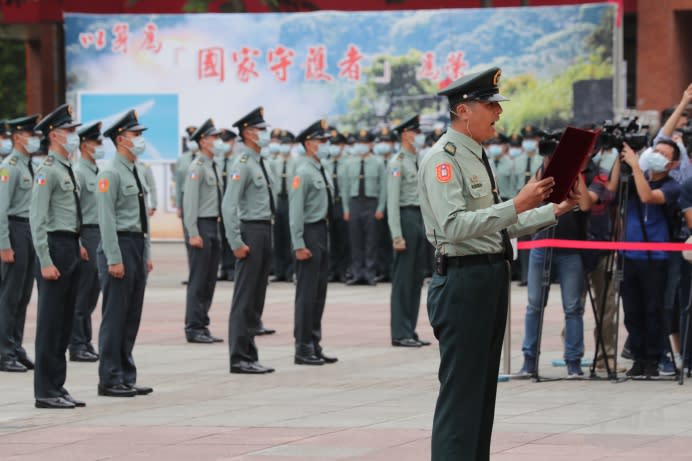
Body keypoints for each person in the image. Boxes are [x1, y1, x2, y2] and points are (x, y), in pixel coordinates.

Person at [418, 67, 578, 460]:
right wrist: (516, 204)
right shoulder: (444, 160)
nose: (497, 113)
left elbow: (497, 227)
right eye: (489, 105)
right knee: (461, 395)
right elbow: (454, 227)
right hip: (462, 281)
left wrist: (549, 211)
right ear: (463, 110)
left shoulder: (476, 156)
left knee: (482, 393)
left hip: (488, 275)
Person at [517, 138, 591, 379]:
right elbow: (523, 202)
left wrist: (575, 170)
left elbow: (587, 205)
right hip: (542, 246)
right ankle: (529, 360)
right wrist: (544, 172)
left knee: (572, 307)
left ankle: (573, 361)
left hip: (570, 249)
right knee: (534, 306)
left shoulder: (577, 173)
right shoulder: (541, 173)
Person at [30, 104, 86, 409]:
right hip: (53, 247)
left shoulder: (66, 168)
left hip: (69, 245)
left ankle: (58, 385)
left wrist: (77, 244)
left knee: (64, 323)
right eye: (70, 131)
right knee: (50, 324)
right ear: (54, 134)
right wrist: (45, 260)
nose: (74, 136)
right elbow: (37, 219)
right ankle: (45, 391)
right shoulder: (47, 171)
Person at [96, 109, 154, 397]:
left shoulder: (136, 169)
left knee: (131, 314)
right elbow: (106, 219)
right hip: (118, 244)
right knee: (115, 314)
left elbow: (143, 218)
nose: (140, 139)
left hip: (135, 245)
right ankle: (109, 377)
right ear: (120, 139)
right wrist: (114, 258)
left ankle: (126, 374)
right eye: (135, 135)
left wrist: (147, 252)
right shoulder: (109, 172)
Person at [620, 139, 681, 378]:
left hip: (656, 257)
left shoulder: (672, 186)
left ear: (673, 163)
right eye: (655, 151)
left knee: (653, 309)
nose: (656, 155)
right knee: (632, 311)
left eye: (663, 154)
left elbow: (647, 197)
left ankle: (654, 358)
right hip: (629, 255)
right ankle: (638, 357)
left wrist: (636, 167)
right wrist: (622, 159)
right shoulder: (634, 180)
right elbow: (615, 191)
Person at [222, 106, 276, 374]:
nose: (265, 134)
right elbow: (229, 205)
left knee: (256, 297)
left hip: (265, 230)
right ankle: (239, 356)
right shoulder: (242, 164)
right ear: (248, 133)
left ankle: (249, 353)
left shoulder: (259, 161)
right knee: (244, 297)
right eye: (260, 130)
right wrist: (235, 242)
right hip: (250, 232)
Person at [289, 119, 338, 365]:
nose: (325, 144)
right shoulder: (302, 171)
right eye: (321, 141)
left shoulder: (320, 168)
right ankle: (303, 347)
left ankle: (315, 343)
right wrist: (298, 243)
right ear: (309, 144)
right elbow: (295, 211)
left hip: (322, 232)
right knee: (306, 294)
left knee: (319, 293)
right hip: (308, 233)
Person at [0, 115, 40, 373]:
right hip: (14, 229)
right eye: (30, 134)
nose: (34, 139)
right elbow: (1, 209)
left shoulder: (31, 165)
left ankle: (16, 346)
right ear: (17, 137)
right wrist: (4, 244)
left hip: (29, 230)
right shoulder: (10, 166)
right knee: (10, 296)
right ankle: (4, 351)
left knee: (24, 295)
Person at [387, 115, 431, 348]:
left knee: (416, 279)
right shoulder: (397, 162)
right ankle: (399, 332)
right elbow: (392, 202)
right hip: (405, 218)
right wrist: (396, 234)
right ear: (405, 134)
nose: (418, 135)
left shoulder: (418, 160)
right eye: (415, 131)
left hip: (419, 219)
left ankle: (410, 329)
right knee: (403, 280)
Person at [182, 119, 225, 344]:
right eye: (213, 138)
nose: (217, 142)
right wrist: (192, 232)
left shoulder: (213, 165)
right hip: (201, 225)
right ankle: (193, 326)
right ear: (203, 141)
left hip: (214, 225)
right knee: (198, 279)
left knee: (209, 279)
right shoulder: (196, 168)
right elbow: (190, 202)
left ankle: (203, 324)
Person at [68, 121, 105, 363]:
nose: (100, 146)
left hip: (98, 233)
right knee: (83, 292)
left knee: (93, 291)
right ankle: (77, 344)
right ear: (84, 145)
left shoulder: (96, 170)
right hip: (87, 233)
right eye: (96, 142)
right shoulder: (79, 172)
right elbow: (74, 210)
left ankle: (85, 341)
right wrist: (79, 240)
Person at [342, 129, 386, 285]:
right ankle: (356, 272)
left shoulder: (378, 162)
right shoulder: (349, 163)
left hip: (371, 203)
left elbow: (383, 187)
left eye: (365, 143)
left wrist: (381, 207)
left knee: (371, 240)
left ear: (370, 144)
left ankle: (369, 273)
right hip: (355, 203)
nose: (362, 146)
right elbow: (345, 188)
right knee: (355, 240)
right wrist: (346, 209)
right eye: (359, 143)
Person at [269, 130, 296, 283]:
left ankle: (290, 271)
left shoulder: (296, 162)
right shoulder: (275, 163)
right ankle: (279, 271)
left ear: (292, 145)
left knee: (290, 237)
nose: (284, 147)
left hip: (291, 200)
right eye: (282, 144)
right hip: (278, 200)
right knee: (278, 237)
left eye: (287, 144)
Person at [323, 130, 350, 283]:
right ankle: (332, 270)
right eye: (331, 144)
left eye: (336, 144)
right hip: (330, 205)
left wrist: (347, 209)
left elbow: (348, 187)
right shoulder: (325, 164)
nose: (333, 147)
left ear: (342, 146)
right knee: (331, 239)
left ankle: (343, 269)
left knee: (344, 240)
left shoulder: (348, 162)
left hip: (342, 205)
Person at [175, 126, 198, 286]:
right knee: (189, 239)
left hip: (202, 203)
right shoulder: (182, 159)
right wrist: (178, 205)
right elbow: (178, 184)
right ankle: (193, 273)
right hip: (186, 201)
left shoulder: (209, 159)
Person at [217, 128, 237, 282]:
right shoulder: (216, 162)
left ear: (233, 143)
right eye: (222, 141)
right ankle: (223, 268)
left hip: (233, 207)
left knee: (232, 236)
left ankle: (232, 268)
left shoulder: (237, 161)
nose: (224, 145)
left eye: (227, 141)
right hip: (218, 206)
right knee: (221, 238)